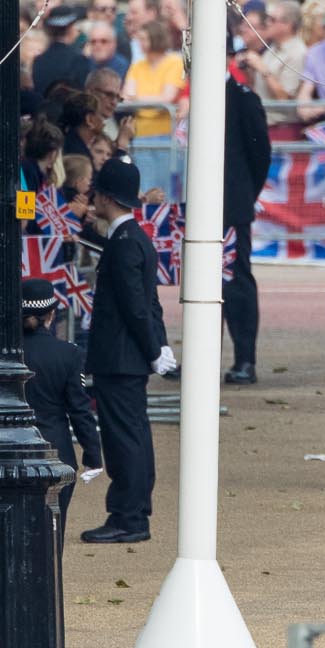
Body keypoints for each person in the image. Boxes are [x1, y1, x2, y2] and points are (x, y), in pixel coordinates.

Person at [80, 157, 172, 544]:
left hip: (119, 357)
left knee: (123, 439)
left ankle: (127, 515)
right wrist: (159, 345)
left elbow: (136, 306)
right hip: (129, 355)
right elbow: (149, 304)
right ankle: (133, 511)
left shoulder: (124, 243)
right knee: (134, 434)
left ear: (105, 197)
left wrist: (154, 348)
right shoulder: (134, 238)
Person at [20, 278, 100, 544]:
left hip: (10, 449)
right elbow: (79, 409)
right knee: (52, 534)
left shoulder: (9, 351)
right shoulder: (68, 353)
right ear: (51, 314)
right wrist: (92, 452)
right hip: (55, 449)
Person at [220, 65, 272, 384]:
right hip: (207, 204)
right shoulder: (207, 95)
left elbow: (260, 155)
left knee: (237, 282)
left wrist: (244, 196)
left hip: (233, 207)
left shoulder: (243, 98)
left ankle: (245, 359)